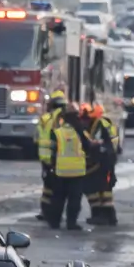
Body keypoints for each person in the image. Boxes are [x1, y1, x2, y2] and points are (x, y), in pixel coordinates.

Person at [49, 107, 91, 231]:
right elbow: (88, 147)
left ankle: (54, 222)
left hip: (60, 170)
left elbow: (52, 151)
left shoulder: (57, 132)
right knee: (74, 200)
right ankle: (71, 223)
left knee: (58, 198)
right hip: (77, 172)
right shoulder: (80, 132)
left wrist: (50, 166)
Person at [36, 90, 68, 225]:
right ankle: (52, 214)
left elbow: (37, 138)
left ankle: (45, 211)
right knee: (56, 189)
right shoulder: (61, 120)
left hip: (45, 158)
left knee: (47, 187)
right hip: (57, 159)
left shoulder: (44, 119)